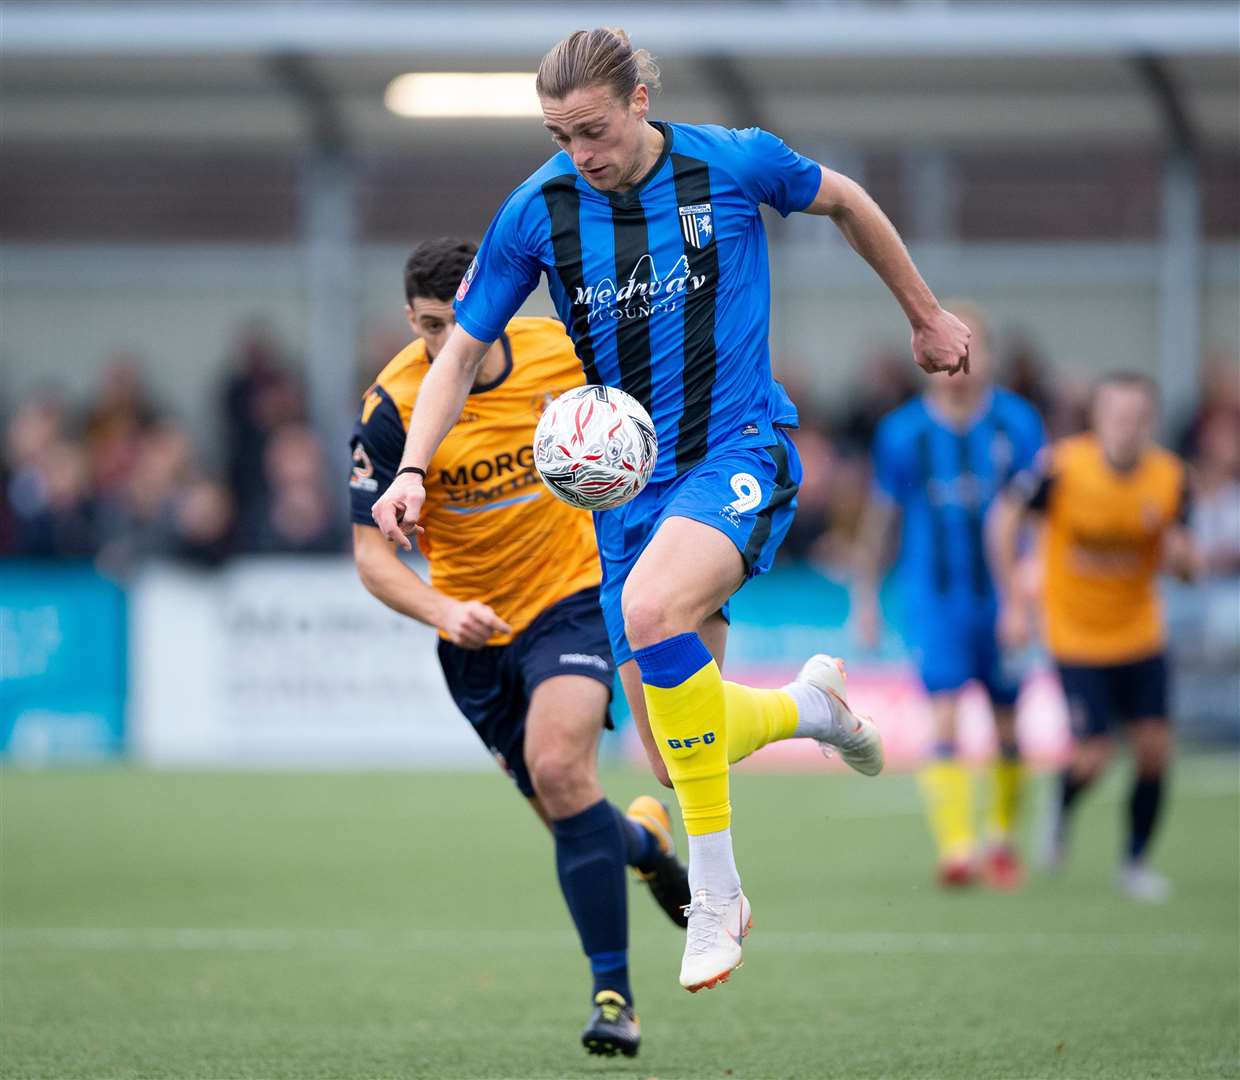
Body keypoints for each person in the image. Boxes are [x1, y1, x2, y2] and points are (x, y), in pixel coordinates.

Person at [371, 28, 970, 993]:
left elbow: (849, 203)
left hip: (739, 452)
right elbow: (455, 355)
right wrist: (410, 468)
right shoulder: (537, 210)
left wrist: (925, 316)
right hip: (628, 496)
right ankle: (811, 709)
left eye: (595, 130)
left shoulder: (732, 163)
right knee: (667, 748)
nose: (581, 153)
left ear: (641, 100)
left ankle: (718, 892)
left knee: (651, 617)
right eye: (561, 134)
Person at [351, 237, 690, 1057]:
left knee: (561, 767)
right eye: (426, 326)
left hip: (572, 597)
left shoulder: (562, 351)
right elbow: (370, 559)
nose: (441, 343)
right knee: (568, 807)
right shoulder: (394, 407)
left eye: (454, 322)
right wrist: (440, 608)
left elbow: (641, 422)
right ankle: (644, 846)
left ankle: (615, 998)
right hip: (475, 633)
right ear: (410, 318)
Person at [853, 303, 1045, 889]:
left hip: (1004, 599)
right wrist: (865, 596)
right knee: (942, 713)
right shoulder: (902, 433)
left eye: (975, 345)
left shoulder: (1018, 423)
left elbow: (1042, 519)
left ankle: (1003, 839)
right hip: (935, 600)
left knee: (1009, 722)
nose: (964, 357)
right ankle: (957, 847)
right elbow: (881, 519)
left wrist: (1028, 593)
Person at [994, 373, 1201, 902]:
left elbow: (1186, 564)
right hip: (1076, 634)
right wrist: (1017, 598)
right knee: (1094, 755)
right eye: (1116, 416)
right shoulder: (1063, 468)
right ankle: (1060, 807)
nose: (1125, 428)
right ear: (1098, 418)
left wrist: (1183, 562)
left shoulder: (1171, 478)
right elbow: (1006, 516)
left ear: (1149, 422)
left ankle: (1135, 862)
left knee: (1155, 752)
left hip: (1140, 632)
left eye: (1136, 418)